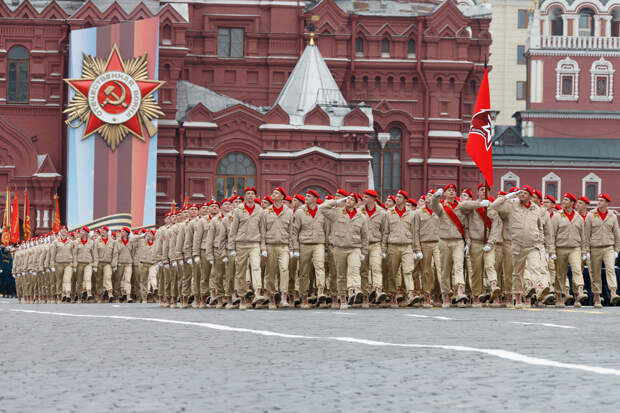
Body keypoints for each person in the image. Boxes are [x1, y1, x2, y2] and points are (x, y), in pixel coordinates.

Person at [490, 186, 550, 307]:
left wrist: (540, 241)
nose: (522, 195)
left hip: (532, 245)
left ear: (530, 196)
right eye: (520, 193)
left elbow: (540, 227)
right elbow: (494, 206)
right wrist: (507, 196)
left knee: (535, 267)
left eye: (525, 193)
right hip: (517, 245)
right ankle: (517, 297)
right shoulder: (512, 205)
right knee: (517, 273)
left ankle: (539, 288)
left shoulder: (536, 209)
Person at [319, 195, 369, 309]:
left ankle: (355, 290)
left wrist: (363, 252)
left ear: (356, 203)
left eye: (351, 199)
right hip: (339, 248)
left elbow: (365, 236)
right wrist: (336, 201)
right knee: (341, 275)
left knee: (354, 269)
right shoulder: (337, 213)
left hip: (354, 248)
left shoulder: (361, 217)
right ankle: (343, 299)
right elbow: (322, 208)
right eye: (347, 199)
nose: (348, 201)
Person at [382, 190, 422, 308]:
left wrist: (417, 249)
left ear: (405, 200)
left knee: (408, 270)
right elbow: (385, 232)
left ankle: (410, 294)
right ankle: (393, 295)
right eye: (397, 197)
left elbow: (415, 232)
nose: (397, 198)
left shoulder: (412, 214)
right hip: (392, 246)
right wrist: (383, 249)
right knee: (392, 273)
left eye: (400, 197)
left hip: (407, 246)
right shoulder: (389, 213)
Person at [228, 187, 264, 310]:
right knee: (240, 271)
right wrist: (232, 247)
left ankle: (258, 292)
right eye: (248, 194)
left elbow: (262, 229)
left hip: (255, 243)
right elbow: (233, 230)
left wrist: (263, 247)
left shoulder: (260, 210)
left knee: (256, 267)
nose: (250, 196)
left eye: (252, 194)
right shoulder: (238, 210)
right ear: (245, 196)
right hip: (241, 243)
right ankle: (242, 297)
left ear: (255, 196)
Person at [551, 193, 588, 308]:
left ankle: (579, 293)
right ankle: (559, 298)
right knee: (560, 274)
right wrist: (552, 251)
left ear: (572, 203)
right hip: (560, 248)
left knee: (577, 270)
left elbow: (584, 236)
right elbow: (552, 234)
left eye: (566, 200)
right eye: (563, 199)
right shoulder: (557, 216)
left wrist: (584, 251)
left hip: (575, 248)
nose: (563, 201)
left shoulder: (578, 218)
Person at [291, 190, 327, 309]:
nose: (306, 198)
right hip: (304, 244)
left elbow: (327, 229)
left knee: (319, 266)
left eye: (309, 196)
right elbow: (294, 231)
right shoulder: (300, 212)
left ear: (316, 199)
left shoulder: (322, 212)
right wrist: (295, 248)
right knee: (303, 271)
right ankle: (304, 296)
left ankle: (321, 291)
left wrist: (326, 245)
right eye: (306, 196)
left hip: (319, 243)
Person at [260, 187, 294, 309]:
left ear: (282, 197)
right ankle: (272, 297)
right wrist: (263, 248)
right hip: (270, 246)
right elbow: (262, 231)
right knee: (270, 273)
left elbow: (292, 232)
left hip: (284, 246)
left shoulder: (289, 212)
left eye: (276, 193)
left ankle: (284, 297)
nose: (273, 194)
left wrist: (292, 249)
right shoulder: (266, 212)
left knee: (284, 270)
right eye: (273, 192)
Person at [584, 193, 620, 308]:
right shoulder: (591, 215)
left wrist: (616, 250)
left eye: (601, 200)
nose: (599, 202)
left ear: (607, 203)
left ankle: (613, 292)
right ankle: (597, 297)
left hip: (609, 247)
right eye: (598, 200)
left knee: (610, 269)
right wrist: (586, 251)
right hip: (594, 248)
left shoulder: (612, 216)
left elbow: (616, 234)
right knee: (595, 273)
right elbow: (586, 234)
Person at [360, 189, 387, 306]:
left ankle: (379, 290)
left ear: (372, 199)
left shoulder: (382, 213)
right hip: (362, 245)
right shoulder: (359, 211)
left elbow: (385, 231)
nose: (363, 199)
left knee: (376, 267)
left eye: (366, 197)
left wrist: (383, 248)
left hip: (376, 244)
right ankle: (365, 296)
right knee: (363, 271)